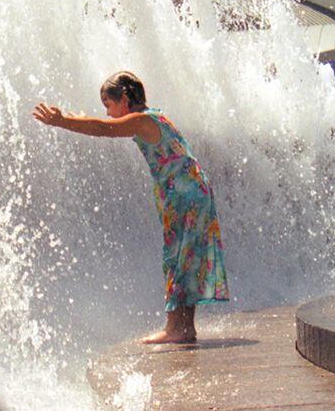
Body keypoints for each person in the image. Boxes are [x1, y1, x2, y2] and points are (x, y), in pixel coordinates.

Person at [32, 71, 229, 344]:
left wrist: (62, 121)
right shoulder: (155, 116)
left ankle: (176, 329)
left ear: (124, 99)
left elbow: (104, 129)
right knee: (185, 259)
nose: (110, 114)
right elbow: (103, 123)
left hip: (185, 196)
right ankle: (185, 328)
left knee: (177, 259)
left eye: (109, 106)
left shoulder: (141, 120)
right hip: (193, 192)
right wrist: (75, 118)